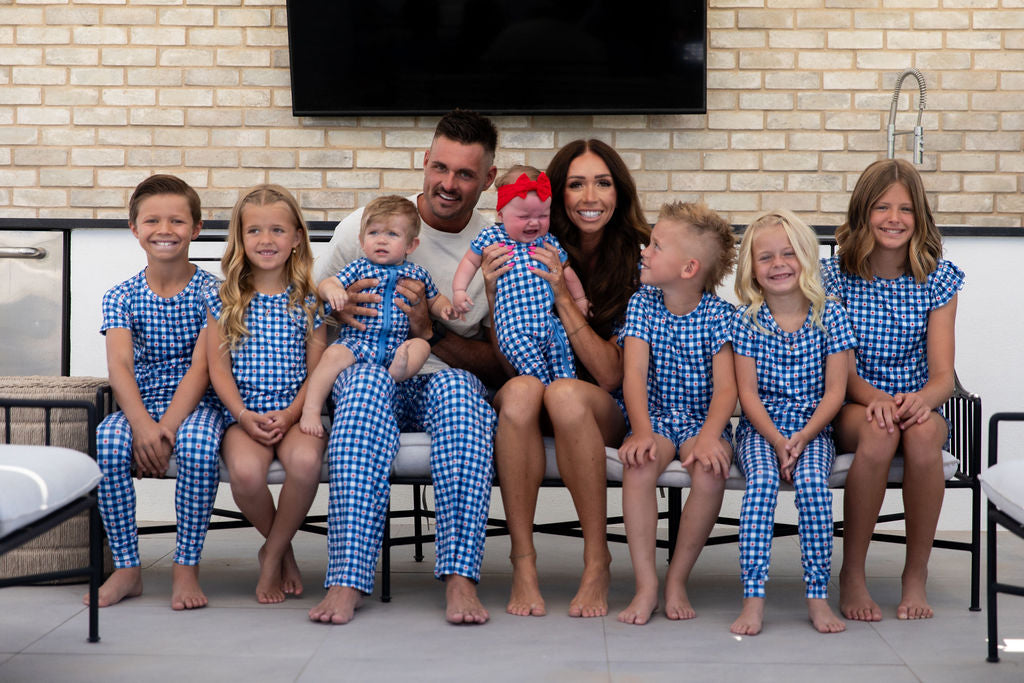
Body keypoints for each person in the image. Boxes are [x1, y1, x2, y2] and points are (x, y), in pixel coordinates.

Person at [308, 109, 500, 625]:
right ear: (425, 161)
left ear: (488, 179)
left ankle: (461, 578)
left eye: (465, 174)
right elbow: (310, 304)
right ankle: (347, 579)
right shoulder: (367, 226)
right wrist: (339, 307)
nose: (448, 183)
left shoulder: (492, 249)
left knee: (462, 399)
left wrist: (429, 329)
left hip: (436, 375)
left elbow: (498, 362)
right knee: (365, 389)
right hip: (366, 370)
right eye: (440, 167)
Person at [492, 139, 651, 618]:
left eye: (603, 183)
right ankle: (523, 562)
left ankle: (597, 560)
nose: (590, 197)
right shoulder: (525, 242)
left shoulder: (639, 260)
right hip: (535, 392)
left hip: (604, 407)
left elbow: (610, 375)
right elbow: (512, 364)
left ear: (619, 192)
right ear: (556, 194)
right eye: (577, 184)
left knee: (564, 394)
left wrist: (563, 296)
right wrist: (495, 298)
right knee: (521, 389)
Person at [822, 158, 964, 622]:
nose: (894, 219)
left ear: (919, 217)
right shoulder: (834, 277)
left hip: (917, 402)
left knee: (923, 436)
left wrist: (920, 401)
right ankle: (853, 573)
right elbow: (840, 371)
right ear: (863, 212)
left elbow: (943, 376)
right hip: (854, 401)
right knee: (879, 431)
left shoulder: (938, 279)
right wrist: (877, 400)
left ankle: (915, 574)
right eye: (882, 207)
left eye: (905, 209)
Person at [91, 174, 225, 610]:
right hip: (141, 403)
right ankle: (127, 567)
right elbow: (120, 365)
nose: (164, 230)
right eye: (152, 221)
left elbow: (203, 368)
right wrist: (143, 425)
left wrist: (165, 426)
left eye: (177, 221)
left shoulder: (214, 293)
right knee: (108, 439)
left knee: (198, 445)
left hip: (198, 403)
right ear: (134, 228)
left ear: (197, 228)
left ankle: (186, 566)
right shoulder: (121, 296)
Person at [729, 209, 856, 635]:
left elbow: (835, 392)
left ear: (806, 257)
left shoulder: (831, 316)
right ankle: (753, 597)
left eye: (788, 254)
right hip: (760, 430)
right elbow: (747, 394)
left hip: (813, 429)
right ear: (751, 267)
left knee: (814, 488)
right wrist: (777, 440)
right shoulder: (746, 320)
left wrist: (802, 437)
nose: (778, 264)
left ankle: (817, 595)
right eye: (765, 257)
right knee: (762, 486)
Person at [205, 184, 328, 604]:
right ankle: (283, 551)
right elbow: (218, 369)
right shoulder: (223, 298)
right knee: (245, 474)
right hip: (243, 416)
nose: (266, 240)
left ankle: (271, 554)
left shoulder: (310, 301)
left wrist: (293, 413)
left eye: (277, 230)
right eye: (254, 230)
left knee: (306, 463)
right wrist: (242, 415)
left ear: (297, 238)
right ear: (240, 239)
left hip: (297, 412)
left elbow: (318, 371)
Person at [616, 201, 738, 626]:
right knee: (639, 465)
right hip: (655, 418)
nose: (645, 251)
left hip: (703, 422)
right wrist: (641, 431)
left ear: (689, 268)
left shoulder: (720, 317)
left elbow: (726, 389)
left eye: (656, 246)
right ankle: (646, 583)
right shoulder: (642, 305)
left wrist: (710, 436)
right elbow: (633, 376)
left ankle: (677, 579)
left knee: (710, 470)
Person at [299, 195, 457, 437]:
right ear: (362, 242)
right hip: (358, 344)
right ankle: (311, 410)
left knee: (422, 346)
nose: (381, 240)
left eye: (392, 234)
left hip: (397, 348)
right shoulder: (359, 268)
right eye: (373, 233)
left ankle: (399, 373)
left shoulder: (417, 274)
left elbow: (434, 299)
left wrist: (446, 308)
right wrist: (334, 291)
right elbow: (327, 283)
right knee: (333, 355)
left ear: (411, 245)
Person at [452, 165, 588, 385]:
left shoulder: (547, 242)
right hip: (513, 327)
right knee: (533, 370)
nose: (534, 222)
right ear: (501, 214)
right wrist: (459, 290)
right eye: (524, 216)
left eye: (543, 215)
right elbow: (469, 261)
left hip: (547, 322)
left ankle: (563, 390)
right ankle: (541, 391)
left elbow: (567, 271)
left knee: (563, 362)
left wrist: (580, 299)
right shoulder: (492, 237)